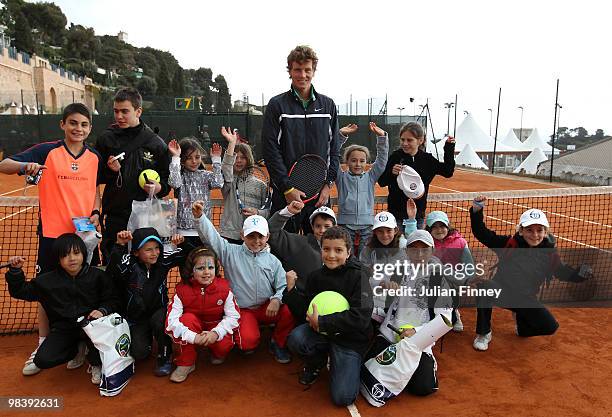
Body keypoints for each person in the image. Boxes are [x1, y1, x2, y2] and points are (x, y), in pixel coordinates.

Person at [0, 102, 102, 376]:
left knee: (89, 289)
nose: (78, 129)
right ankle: (44, 342)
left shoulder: (93, 157)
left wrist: (95, 210)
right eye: (73, 123)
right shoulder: (48, 150)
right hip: (52, 235)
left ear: (89, 128)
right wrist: (25, 166)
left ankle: (86, 344)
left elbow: (94, 190)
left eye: (83, 124)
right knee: (46, 289)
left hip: (84, 237)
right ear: (63, 125)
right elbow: (4, 164)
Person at [470, 196, 592, 351]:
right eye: (529, 230)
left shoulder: (549, 254)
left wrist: (579, 274)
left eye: (539, 230)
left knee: (550, 327)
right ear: (521, 231)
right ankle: (484, 333)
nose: (535, 235)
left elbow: (561, 272)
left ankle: (522, 326)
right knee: (484, 286)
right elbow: (482, 233)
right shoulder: (509, 244)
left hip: (525, 299)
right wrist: (477, 209)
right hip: (502, 292)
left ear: (545, 232)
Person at [4, 234, 118, 385]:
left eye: (76, 253)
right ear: (58, 259)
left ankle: (95, 362)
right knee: (43, 360)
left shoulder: (98, 276)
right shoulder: (47, 281)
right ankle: (76, 350)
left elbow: (113, 299)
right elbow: (21, 291)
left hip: (93, 327)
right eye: (65, 255)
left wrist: (102, 310)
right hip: (64, 329)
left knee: (99, 342)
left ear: (84, 254)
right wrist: (15, 272)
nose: (72, 258)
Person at [192, 200, 294, 363]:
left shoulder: (273, 260)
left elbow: (282, 284)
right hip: (244, 310)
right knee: (247, 343)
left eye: (260, 236)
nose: (256, 240)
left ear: (267, 237)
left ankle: (278, 342)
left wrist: (276, 299)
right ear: (242, 236)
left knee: (289, 310)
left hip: (267, 307)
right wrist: (200, 218)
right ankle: (248, 334)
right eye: (251, 236)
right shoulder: (230, 252)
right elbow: (213, 239)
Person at [284, 226, 373, 407]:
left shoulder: (359, 276)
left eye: (338, 250)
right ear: (321, 250)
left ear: (349, 252)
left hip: (350, 339)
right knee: (296, 339)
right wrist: (291, 290)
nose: (331, 255)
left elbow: (361, 317)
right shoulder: (315, 277)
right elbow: (306, 311)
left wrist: (323, 322)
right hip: (321, 333)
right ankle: (317, 361)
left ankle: (350, 363)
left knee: (343, 398)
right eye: (326, 249)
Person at [365, 229, 453, 398]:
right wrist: (383, 283)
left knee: (422, 388)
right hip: (390, 333)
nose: (419, 254)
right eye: (414, 249)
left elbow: (446, 317)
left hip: (419, 339)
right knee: (367, 369)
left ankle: (427, 363)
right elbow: (371, 281)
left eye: (424, 249)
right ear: (406, 251)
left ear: (432, 251)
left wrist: (417, 332)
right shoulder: (398, 269)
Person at [262, 45, 340, 234]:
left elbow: (334, 149)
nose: (302, 75)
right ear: (289, 71)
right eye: (297, 69)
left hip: (318, 194)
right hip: (285, 194)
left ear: (314, 71)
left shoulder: (328, 105)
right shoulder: (276, 105)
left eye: (307, 70)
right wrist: (288, 189)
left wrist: (327, 184)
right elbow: (270, 150)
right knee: (283, 248)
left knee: (318, 251)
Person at [94, 87, 170, 263]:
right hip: (115, 215)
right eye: (116, 111)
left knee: (145, 266)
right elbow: (96, 177)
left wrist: (160, 187)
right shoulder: (106, 139)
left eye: (124, 111)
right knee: (113, 264)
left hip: (146, 216)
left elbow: (167, 182)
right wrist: (109, 171)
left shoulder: (156, 144)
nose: (119, 116)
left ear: (138, 111)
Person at [106, 227, 185, 375]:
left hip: (158, 311)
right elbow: (111, 270)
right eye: (148, 250)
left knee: (160, 321)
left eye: (157, 248)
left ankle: (165, 355)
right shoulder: (129, 263)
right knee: (139, 353)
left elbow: (186, 255)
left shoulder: (163, 260)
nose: (154, 253)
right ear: (136, 252)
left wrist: (182, 244)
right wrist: (119, 245)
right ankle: (147, 338)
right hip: (136, 318)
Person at [165, 245, 240, 383]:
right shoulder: (181, 290)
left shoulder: (224, 288)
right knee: (186, 319)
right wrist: (193, 337)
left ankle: (215, 350)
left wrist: (216, 333)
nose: (206, 272)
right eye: (200, 268)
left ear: (216, 269)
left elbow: (233, 317)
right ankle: (186, 363)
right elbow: (171, 322)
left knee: (223, 347)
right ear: (191, 271)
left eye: (210, 268)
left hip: (214, 327)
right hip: (194, 327)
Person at [378, 122, 455, 229]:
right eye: (402, 139)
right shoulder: (395, 156)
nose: (405, 143)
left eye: (409, 140)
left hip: (417, 217)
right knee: (397, 245)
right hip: (396, 215)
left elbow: (448, 171)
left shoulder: (428, 160)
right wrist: (392, 173)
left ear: (420, 140)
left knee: (415, 245)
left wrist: (449, 148)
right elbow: (382, 182)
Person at [267, 202, 337, 321]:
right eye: (318, 226)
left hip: (331, 306)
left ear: (334, 227)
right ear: (312, 226)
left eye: (327, 226)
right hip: (302, 306)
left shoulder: (341, 250)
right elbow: (271, 232)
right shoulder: (298, 243)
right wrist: (287, 211)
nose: (322, 230)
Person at [336, 122, 389, 258]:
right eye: (353, 160)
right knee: (346, 257)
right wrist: (340, 135)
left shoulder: (371, 177)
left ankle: (363, 278)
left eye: (362, 161)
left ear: (366, 162)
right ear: (347, 161)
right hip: (345, 225)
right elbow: (332, 155)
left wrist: (382, 137)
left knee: (365, 259)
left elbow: (382, 160)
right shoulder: (341, 177)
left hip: (367, 226)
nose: (358, 164)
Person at [360, 200, 417, 325]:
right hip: (378, 297)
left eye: (388, 230)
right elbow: (363, 273)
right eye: (380, 231)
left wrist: (412, 220)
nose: (385, 235)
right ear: (375, 232)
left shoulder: (404, 246)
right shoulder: (368, 250)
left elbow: (416, 242)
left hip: (401, 296)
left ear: (396, 230)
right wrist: (377, 281)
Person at [168, 137, 225, 249]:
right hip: (183, 234)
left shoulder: (205, 175)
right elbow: (174, 183)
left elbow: (218, 183)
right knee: (186, 265)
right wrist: (175, 157)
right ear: (183, 159)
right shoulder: (180, 176)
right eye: (189, 158)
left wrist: (216, 160)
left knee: (204, 265)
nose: (194, 161)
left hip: (204, 231)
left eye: (197, 157)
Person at [425, 210, 475, 332]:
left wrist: (467, 280)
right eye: (434, 227)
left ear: (448, 226)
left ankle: (454, 312)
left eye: (442, 226)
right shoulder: (426, 242)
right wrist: (411, 220)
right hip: (432, 281)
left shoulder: (460, 242)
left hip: (453, 281)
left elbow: (469, 265)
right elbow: (411, 239)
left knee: (452, 299)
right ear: (429, 229)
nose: (439, 230)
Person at [219, 128, 269, 244]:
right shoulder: (228, 181)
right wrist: (231, 143)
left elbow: (268, 211)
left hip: (253, 236)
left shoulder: (260, 185)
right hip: (230, 235)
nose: (239, 161)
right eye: (236, 157)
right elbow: (226, 167)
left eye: (243, 157)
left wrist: (257, 212)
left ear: (249, 159)